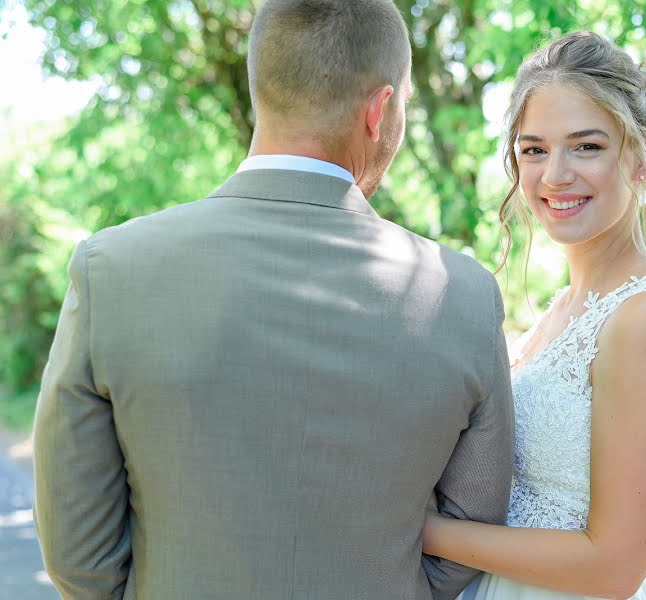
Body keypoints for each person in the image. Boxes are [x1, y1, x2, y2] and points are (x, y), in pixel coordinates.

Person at [32, 1, 514, 598]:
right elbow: (470, 535)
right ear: (379, 109)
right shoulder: (462, 297)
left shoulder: (112, 271)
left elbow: (79, 556)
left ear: (263, 86)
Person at [422, 32, 646, 600]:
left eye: (587, 146)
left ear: (643, 157)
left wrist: (426, 531)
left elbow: (614, 567)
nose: (554, 175)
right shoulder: (564, 306)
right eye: (534, 149)